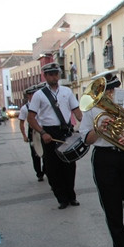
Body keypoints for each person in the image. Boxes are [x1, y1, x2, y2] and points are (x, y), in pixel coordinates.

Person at [80, 73, 124, 247]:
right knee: (112, 207)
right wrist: (98, 130)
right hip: (104, 158)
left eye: (112, 89)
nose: (109, 94)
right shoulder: (92, 108)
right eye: (106, 90)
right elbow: (86, 138)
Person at [27, 62, 83, 209]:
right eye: (50, 74)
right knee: (53, 168)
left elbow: (77, 111)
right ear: (45, 76)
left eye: (56, 73)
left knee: (70, 166)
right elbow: (31, 118)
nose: (54, 76)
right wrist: (43, 133)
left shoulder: (67, 91)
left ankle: (71, 196)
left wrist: (85, 124)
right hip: (49, 133)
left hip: (66, 132)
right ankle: (61, 198)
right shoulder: (39, 95)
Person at [18, 84, 45, 182]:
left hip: (43, 128)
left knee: (47, 152)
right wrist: (24, 135)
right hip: (33, 131)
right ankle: (39, 173)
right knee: (35, 154)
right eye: (32, 94)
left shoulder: (42, 104)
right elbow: (21, 123)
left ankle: (46, 170)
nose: (34, 95)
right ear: (28, 96)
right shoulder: (25, 108)